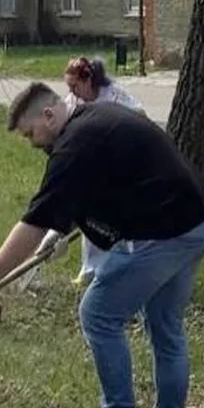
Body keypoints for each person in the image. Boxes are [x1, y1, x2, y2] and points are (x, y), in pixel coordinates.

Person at [0, 81, 204, 408]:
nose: (33, 143)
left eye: (31, 134)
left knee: (98, 313)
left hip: (167, 233)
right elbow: (100, 185)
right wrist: (61, 230)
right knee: (164, 327)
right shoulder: (96, 119)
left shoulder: (76, 143)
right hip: (196, 222)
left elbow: (32, 221)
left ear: (49, 115)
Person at [62, 55, 146, 287]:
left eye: (74, 85)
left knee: (121, 220)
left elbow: (140, 115)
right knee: (90, 216)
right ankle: (90, 270)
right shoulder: (73, 102)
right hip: (93, 168)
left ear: (88, 79)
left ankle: (128, 267)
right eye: (68, 86)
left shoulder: (114, 96)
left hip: (120, 166)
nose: (71, 91)